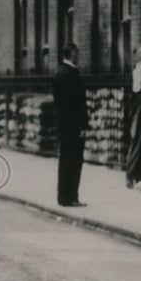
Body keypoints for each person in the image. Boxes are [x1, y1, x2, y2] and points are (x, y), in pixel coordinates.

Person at [52, 43, 88, 207]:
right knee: (74, 161)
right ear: (72, 53)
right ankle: (72, 196)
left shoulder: (59, 73)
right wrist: (82, 125)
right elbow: (77, 103)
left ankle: (63, 196)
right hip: (73, 126)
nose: (78, 55)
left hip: (63, 125)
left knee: (65, 161)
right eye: (77, 52)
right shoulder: (71, 74)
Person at [124, 44, 141, 188]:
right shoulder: (140, 68)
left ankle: (137, 175)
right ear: (136, 55)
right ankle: (131, 174)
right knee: (137, 140)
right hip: (139, 107)